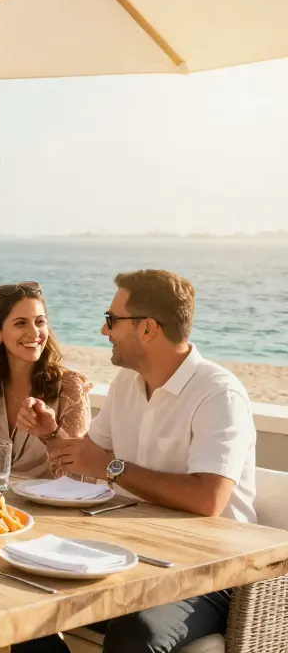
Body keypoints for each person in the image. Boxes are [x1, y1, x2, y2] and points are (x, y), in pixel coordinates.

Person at [13, 270, 256, 653]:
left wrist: (113, 467)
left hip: (210, 574)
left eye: (112, 320)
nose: (103, 330)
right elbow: (86, 459)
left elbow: (209, 500)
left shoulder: (218, 394)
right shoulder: (127, 383)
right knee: (18, 598)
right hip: (133, 555)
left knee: (135, 633)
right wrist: (50, 435)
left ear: (147, 329)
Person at [0, 282, 90, 479]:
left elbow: (78, 477)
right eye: (20, 323)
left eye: (40, 322)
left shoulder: (68, 387)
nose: (34, 333)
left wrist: (50, 434)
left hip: (45, 505)